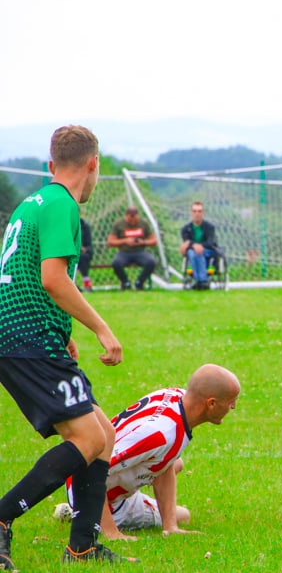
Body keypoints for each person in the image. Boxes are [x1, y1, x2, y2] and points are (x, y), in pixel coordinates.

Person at [0, 125, 136, 566]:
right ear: (93, 164)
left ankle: (83, 546)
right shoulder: (64, 205)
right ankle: (1, 519)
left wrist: (64, 331)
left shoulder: (32, 202)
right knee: (87, 437)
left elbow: (24, 275)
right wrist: (102, 329)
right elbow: (52, 278)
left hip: (28, 332)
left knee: (104, 434)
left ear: (51, 164)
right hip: (24, 337)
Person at [62, 364, 241, 540]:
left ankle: (81, 510)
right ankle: (84, 513)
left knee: (176, 463)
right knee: (184, 514)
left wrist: (170, 527)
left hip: (89, 486)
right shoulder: (161, 434)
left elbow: (167, 460)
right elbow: (90, 469)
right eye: (231, 400)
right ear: (211, 403)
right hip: (90, 492)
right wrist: (111, 532)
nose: (233, 407)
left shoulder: (176, 397)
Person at [108, 205, 157, 290]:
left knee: (151, 261)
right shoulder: (119, 225)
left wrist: (143, 242)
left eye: (135, 220)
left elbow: (154, 240)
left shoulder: (143, 224)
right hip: (124, 252)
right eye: (131, 220)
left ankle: (140, 282)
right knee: (116, 263)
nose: (133, 222)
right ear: (126, 216)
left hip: (140, 252)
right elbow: (111, 242)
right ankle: (125, 282)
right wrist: (125, 241)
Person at [180, 201, 218, 291]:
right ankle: (200, 280)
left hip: (208, 251)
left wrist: (195, 245)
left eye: (199, 211)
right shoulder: (185, 229)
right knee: (193, 252)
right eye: (195, 211)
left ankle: (202, 280)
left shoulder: (209, 227)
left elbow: (210, 243)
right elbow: (186, 244)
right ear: (191, 213)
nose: (197, 214)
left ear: (203, 213)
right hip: (192, 251)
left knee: (198, 252)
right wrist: (194, 245)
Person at [79, 216, 94, 293]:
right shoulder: (65, 225)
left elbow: (89, 245)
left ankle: (87, 282)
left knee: (82, 257)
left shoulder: (85, 226)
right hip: (69, 252)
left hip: (83, 253)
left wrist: (84, 249)